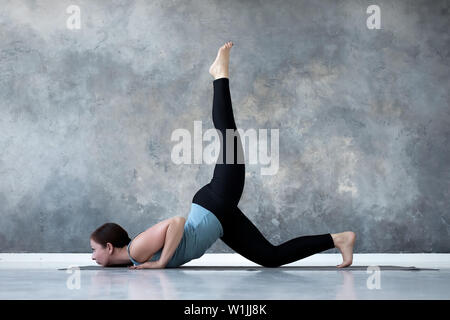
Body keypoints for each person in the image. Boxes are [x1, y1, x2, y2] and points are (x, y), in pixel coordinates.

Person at [90, 41, 356, 269]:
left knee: (228, 134)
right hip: (218, 220)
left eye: (94, 250)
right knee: (270, 257)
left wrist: (161, 263)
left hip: (213, 205)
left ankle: (220, 74)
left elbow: (176, 222)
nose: (91, 256)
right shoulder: (134, 262)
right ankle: (339, 239)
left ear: (110, 247)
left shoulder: (136, 250)